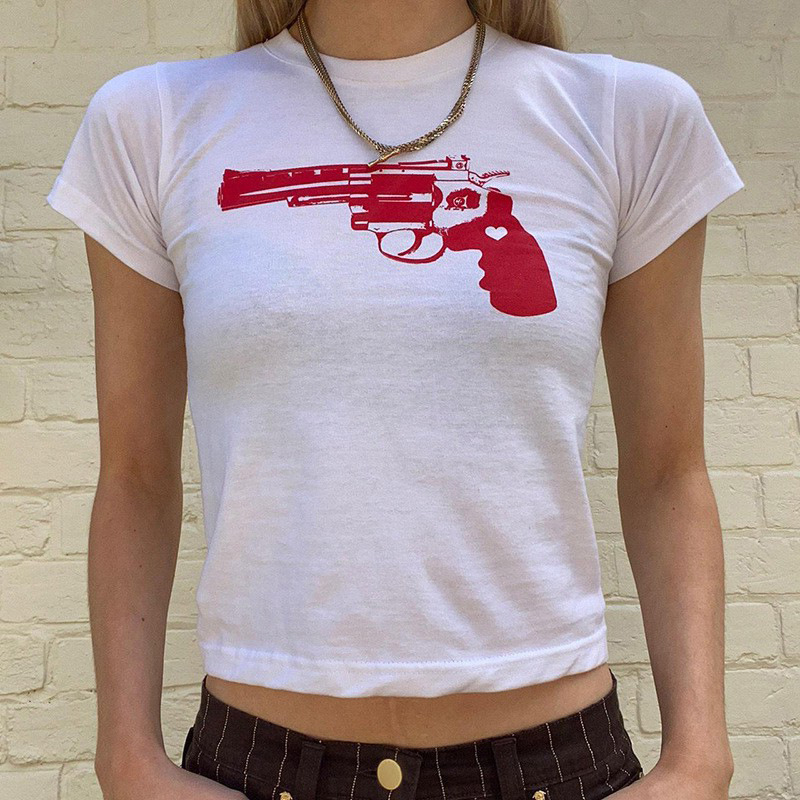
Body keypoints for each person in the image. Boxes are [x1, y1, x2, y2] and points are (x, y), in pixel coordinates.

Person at [45, 0, 744, 798]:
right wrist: (128, 761)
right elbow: (134, 476)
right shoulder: (153, 120)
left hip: (551, 766)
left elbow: (668, 471)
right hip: (263, 766)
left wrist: (699, 761)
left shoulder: (629, 115)